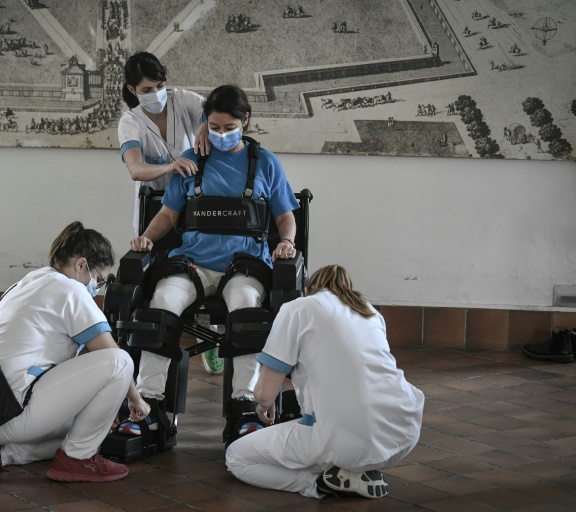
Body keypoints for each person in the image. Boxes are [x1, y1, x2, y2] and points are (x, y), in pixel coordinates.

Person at [119, 84, 300, 444]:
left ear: (244, 121)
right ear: (205, 123)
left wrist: (287, 242)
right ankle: (149, 407)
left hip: (244, 266)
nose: (221, 134)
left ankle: (245, 409)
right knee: (161, 306)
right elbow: (169, 214)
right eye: (214, 127)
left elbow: (285, 216)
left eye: (228, 127)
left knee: (246, 311)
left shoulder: (265, 162)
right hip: (194, 263)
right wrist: (147, 238)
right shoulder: (192, 159)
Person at [0, 221, 151, 482]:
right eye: (99, 279)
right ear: (81, 265)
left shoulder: (25, 283)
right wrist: (135, 399)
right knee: (119, 363)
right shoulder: (70, 288)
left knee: (96, 424)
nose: (97, 287)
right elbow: (110, 352)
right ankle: (77, 458)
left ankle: (5, 453)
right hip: (13, 413)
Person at [226, 265, 424, 499]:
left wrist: (263, 406)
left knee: (237, 457)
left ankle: (320, 484)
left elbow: (265, 395)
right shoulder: (370, 312)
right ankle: (353, 471)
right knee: (328, 434)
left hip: (343, 437)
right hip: (403, 432)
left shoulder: (298, 308)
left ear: (309, 289)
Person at [118, 51, 224, 375]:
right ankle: (152, 349)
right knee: (161, 276)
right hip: (157, 205)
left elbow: (215, 111)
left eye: (160, 85)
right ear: (133, 90)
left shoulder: (184, 100)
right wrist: (169, 167)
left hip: (197, 202)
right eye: (147, 89)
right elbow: (136, 169)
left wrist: (207, 126)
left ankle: (214, 339)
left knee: (206, 265)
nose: (156, 94)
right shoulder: (130, 122)